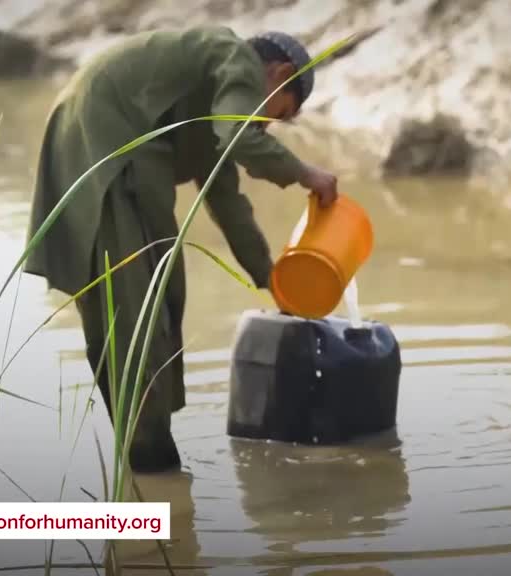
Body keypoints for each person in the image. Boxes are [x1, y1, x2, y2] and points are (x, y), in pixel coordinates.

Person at [23, 26, 339, 473]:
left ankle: (144, 466)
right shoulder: (237, 59)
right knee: (138, 318)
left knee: (142, 307)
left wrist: (271, 280)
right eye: (277, 113)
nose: (265, 125)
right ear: (278, 72)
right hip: (106, 150)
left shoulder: (212, 101)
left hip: (93, 143)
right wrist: (307, 173)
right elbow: (240, 138)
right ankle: (154, 469)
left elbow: (227, 199)